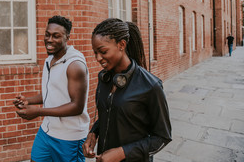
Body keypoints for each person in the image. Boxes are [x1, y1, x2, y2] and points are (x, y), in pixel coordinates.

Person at [83, 18, 172, 162]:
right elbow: (108, 111)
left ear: (121, 45)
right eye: (95, 53)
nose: (98, 58)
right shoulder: (104, 78)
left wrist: (122, 152)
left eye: (103, 51)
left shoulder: (151, 86)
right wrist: (93, 133)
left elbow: (162, 137)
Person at [13, 15, 90, 162]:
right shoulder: (50, 59)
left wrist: (39, 111)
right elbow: (52, 91)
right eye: (47, 35)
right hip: (47, 131)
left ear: (67, 37)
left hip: (69, 137)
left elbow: (77, 106)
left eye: (56, 36)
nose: (49, 40)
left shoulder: (75, 65)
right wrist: (28, 101)